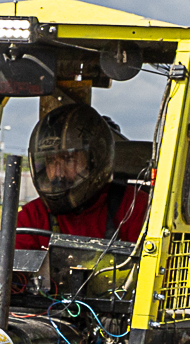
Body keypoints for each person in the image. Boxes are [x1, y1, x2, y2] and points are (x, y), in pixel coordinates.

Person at [16, 103, 148, 245]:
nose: (58, 173)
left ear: (95, 159)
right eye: (51, 161)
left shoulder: (134, 207)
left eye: (68, 159)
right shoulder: (32, 217)